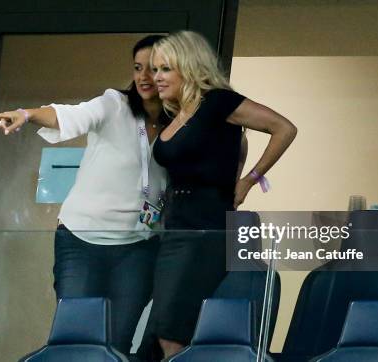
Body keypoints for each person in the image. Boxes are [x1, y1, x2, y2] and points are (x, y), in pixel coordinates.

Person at [0, 35, 168, 356]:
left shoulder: (181, 122)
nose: (143, 76)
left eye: (153, 68)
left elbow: (229, 136)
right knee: (76, 338)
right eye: (138, 68)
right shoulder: (115, 104)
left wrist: (247, 177)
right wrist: (27, 114)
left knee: (118, 344)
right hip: (82, 240)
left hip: (139, 247)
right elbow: (68, 115)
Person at [141, 31, 298, 359]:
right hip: (174, 228)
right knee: (157, 334)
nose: (156, 77)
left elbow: (284, 128)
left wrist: (248, 181)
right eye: (154, 69)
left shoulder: (218, 102)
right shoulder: (175, 113)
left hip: (203, 229)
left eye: (165, 68)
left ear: (188, 66)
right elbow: (228, 149)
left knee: (172, 330)